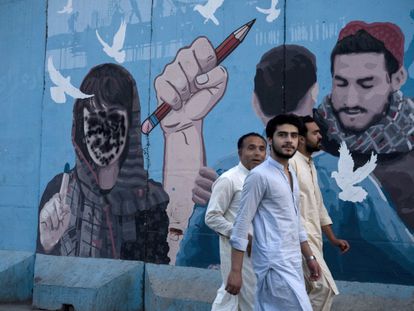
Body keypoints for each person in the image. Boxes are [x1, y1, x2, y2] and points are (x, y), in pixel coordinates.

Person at [176, 44, 318, 268]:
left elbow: (189, 262)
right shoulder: (340, 177)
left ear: (255, 102)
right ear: (314, 92)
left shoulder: (223, 173)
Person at [313, 20, 414, 284]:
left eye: (366, 85)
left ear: (398, 79)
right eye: (341, 83)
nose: (350, 100)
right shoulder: (308, 141)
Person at [38, 64, 169, 262]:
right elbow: (42, 274)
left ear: (129, 126)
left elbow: (154, 274)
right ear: (81, 126)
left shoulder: (149, 200)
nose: (103, 134)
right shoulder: (59, 191)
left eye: (114, 119)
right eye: (93, 119)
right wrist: (48, 244)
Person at [226, 114, 321, 311]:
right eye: (282, 135)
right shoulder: (259, 176)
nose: (289, 140)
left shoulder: (291, 174)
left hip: (292, 262)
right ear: (270, 140)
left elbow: (295, 221)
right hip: (273, 265)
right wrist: (236, 271)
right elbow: (242, 224)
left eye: (294, 136)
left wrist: (309, 257)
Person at [290, 116, 350, 311]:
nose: (320, 136)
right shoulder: (291, 165)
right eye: (315, 133)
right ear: (300, 138)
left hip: (314, 239)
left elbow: (318, 205)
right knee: (323, 288)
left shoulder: (309, 164)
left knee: (307, 290)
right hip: (298, 240)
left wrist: (332, 238)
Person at [205, 133, 267, 311]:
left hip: (263, 252)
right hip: (239, 253)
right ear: (240, 153)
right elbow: (212, 216)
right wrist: (239, 234)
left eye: (262, 149)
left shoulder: (264, 180)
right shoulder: (229, 179)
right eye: (251, 148)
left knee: (238, 301)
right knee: (243, 300)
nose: (257, 153)